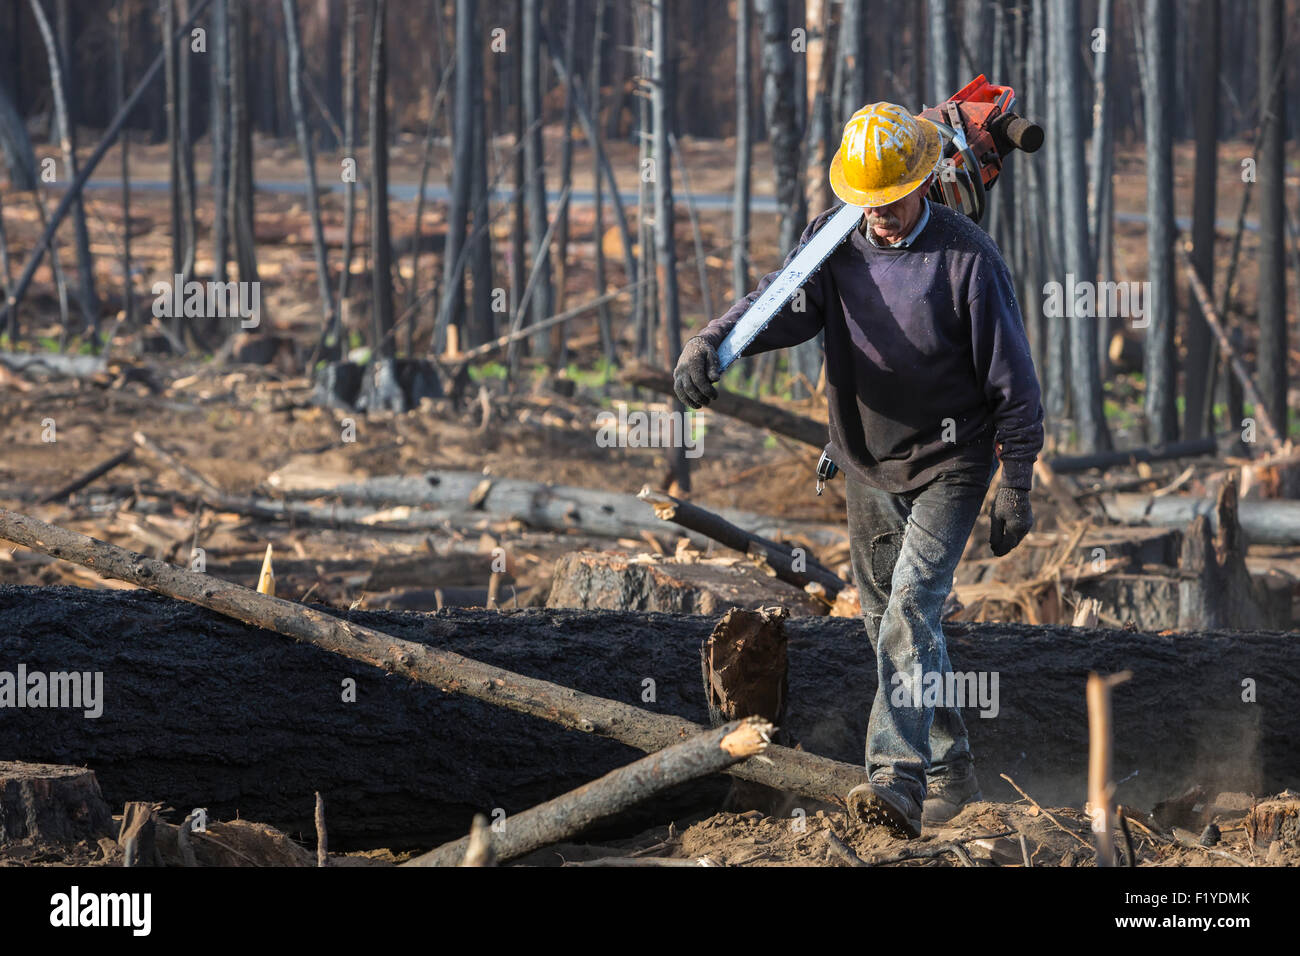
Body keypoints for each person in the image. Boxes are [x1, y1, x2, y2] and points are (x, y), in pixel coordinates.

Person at [673, 102, 1044, 838]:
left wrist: (1019, 482)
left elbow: (1015, 383)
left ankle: (896, 780)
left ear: (926, 183)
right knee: (888, 623)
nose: (880, 217)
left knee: (909, 607)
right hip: (868, 463)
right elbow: (780, 306)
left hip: (954, 462)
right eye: (866, 203)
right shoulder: (833, 239)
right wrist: (710, 344)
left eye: (894, 200)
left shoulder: (967, 258)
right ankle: (950, 768)